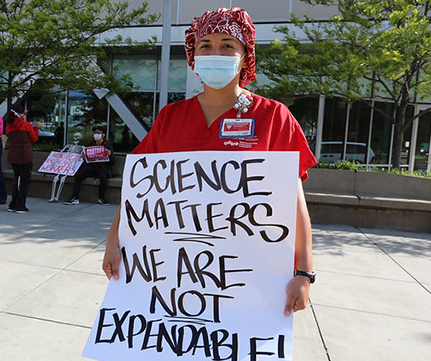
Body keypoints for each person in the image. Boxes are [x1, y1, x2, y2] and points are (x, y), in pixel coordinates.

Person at [102, 7, 317, 318]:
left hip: (250, 277)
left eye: (228, 44)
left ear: (245, 55)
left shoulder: (274, 117)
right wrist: (113, 240)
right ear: (193, 55)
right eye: (206, 45)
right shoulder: (170, 118)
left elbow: (293, 200)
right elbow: (140, 190)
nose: (216, 52)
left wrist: (304, 272)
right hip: (175, 274)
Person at [64, 126, 114, 206]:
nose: (96, 135)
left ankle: (101, 198)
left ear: (103, 135)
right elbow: (88, 158)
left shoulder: (107, 145)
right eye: (95, 133)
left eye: (98, 133)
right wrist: (85, 157)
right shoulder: (91, 144)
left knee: (104, 177)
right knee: (78, 176)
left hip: (102, 168)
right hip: (91, 168)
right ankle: (75, 197)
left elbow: (112, 162)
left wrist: (109, 154)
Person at [6, 104, 41, 213]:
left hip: (13, 156)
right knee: (25, 182)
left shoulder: (8, 126)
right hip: (25, 156)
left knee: (17, 180)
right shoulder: (26, 125)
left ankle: (13, 204)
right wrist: (36, 128)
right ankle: (20, 206)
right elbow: (34, 138)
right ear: (19, 114)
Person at [48, 132, 84, 202]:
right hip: (65, 163)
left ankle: (57, 197)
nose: (75, 138)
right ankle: (53, 197)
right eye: (75, 136)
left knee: (63, 178)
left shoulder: (81, 147)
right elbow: (61, 153)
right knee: (56, 178)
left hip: (72, 164)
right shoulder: (69, 146)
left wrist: (74, 164)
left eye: (77, 137)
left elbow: (81, 155)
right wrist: (54, 162)